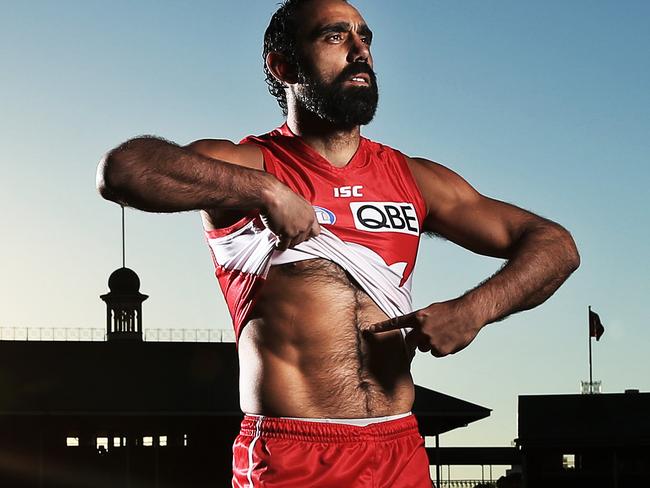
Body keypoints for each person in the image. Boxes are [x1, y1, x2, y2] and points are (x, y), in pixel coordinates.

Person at [96, 0, 580, 486]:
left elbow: (555, 246)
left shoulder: (413, 178)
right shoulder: (247, 166)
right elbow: (123, 170)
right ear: (284, 66)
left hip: (398, 449)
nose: (360, 51)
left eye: (365, 38)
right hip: (294, 453)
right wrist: (265, 191)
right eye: (334, 37)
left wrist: (475, 310)